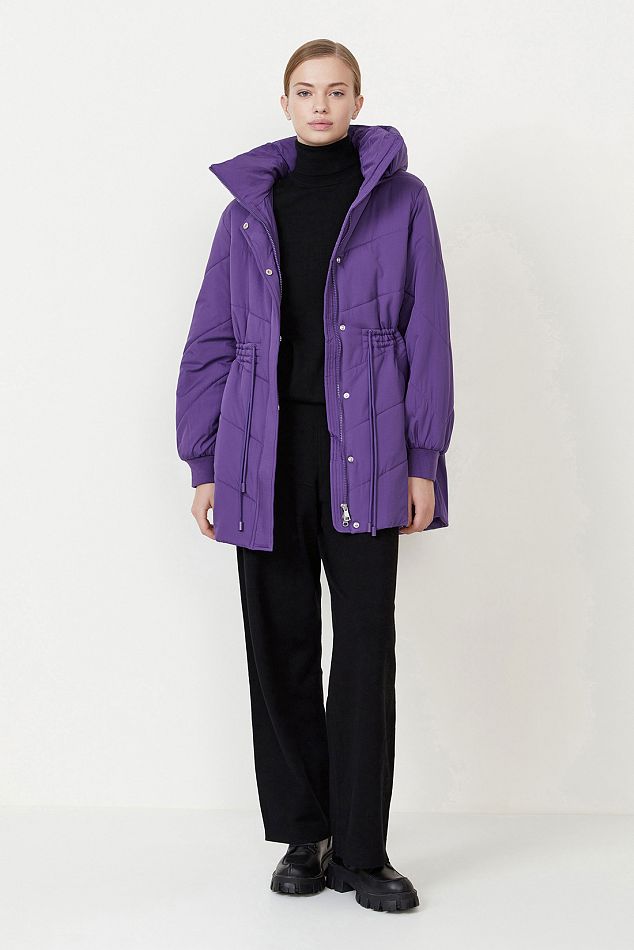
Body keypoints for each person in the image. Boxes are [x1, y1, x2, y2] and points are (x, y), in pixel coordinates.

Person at [175, 38, 454, 914]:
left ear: (358, 101)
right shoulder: (246, 211)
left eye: (337, 92)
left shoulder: (402, 200)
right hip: (261, 453)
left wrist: (424, 459)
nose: (321, 105)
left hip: (367, 451)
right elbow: (213, 337)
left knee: (365, 647)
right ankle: (306, 835)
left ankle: (363, 851)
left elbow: (427, 332)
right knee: (280, 642)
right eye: (306, 92)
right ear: (286, 102)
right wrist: (204, 461)